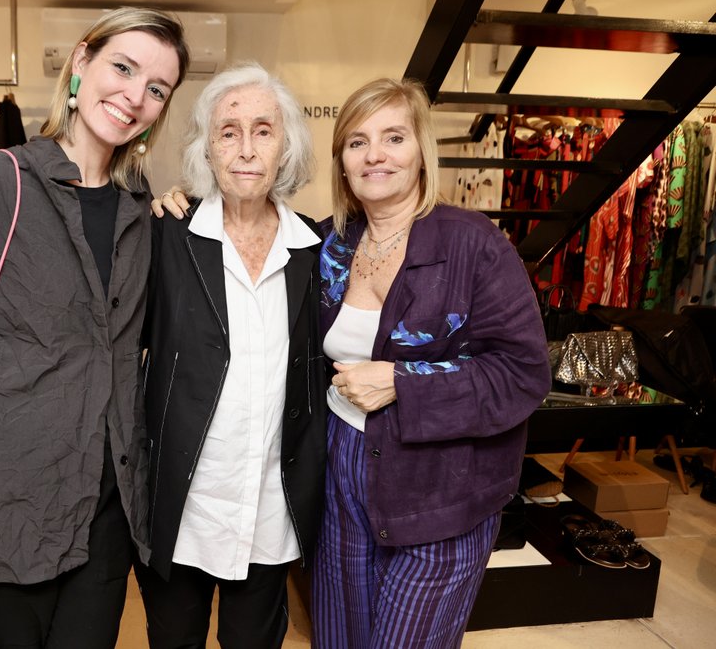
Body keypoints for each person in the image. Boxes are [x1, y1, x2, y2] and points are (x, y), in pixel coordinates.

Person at [0, 7, 189, 649]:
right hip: (8, 489)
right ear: (81, 61)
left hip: (107, 497)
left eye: (156, 88)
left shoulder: (142, 209)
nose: (134, 96)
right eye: (123, 68)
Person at [309, 77, 552, 648]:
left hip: (442, 489)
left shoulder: (474, 244)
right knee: (340, 637)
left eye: (394, 138)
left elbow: (522, 372)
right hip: (340, 477)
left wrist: (402, 381)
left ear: (422, 150)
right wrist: (183, 206)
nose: (375, 155)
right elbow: (247, 235)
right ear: (342, 162)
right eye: (357, 142)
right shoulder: (327, 243)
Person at [136, 62, 327, 649]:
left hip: (269, 510)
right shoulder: (166, 234)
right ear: (207, 148)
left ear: (286, 146)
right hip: (183, 509)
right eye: (228, 132)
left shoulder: (315, 249)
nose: (245, 149)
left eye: (263, 131)